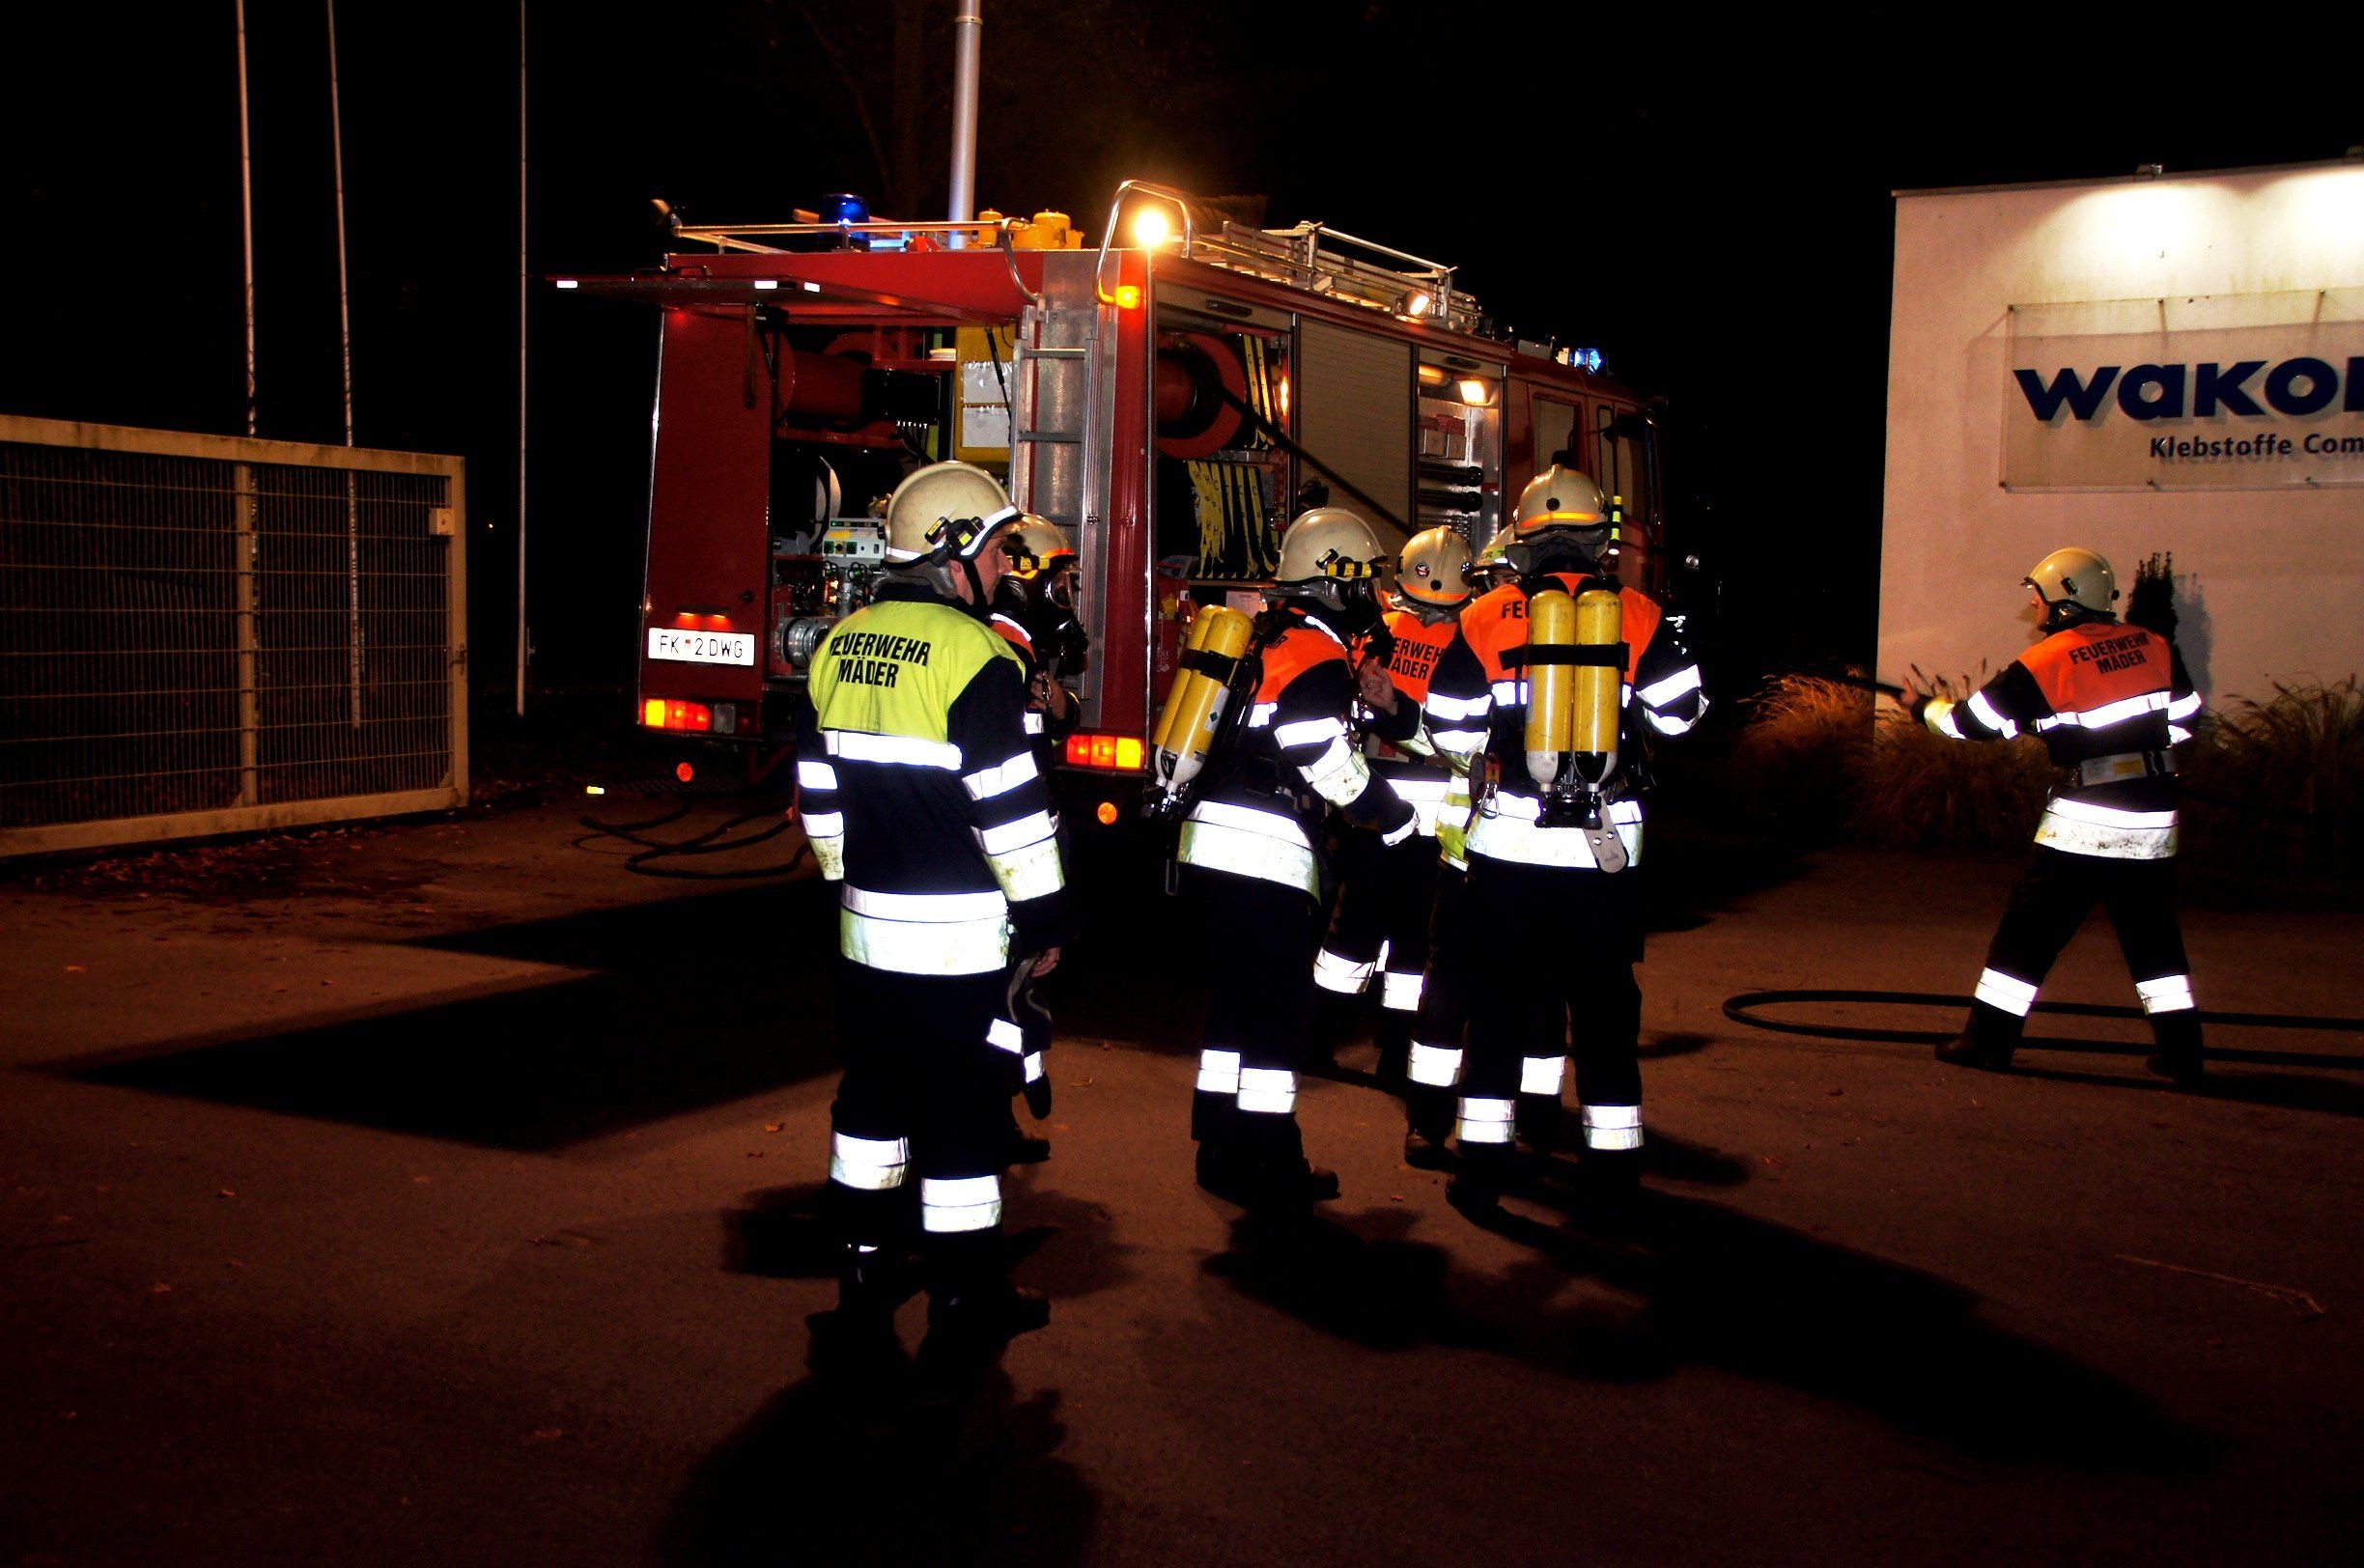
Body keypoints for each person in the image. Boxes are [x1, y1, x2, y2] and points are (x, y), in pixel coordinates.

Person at [795, 460, 1070, 1367]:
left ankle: (862, 1281)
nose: (1003, 567)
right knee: (960, 1116)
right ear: (952, 554)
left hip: (866, 936)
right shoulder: (979, 658)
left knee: (870, 1106)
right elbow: (1010, 813)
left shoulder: (838, 645)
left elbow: (818, 794)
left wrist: (848, 881)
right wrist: (1045, 920)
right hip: (958, 945)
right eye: (994, 551)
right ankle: (964, 1299)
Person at [1421, 465, 1704, 1216]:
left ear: (1524, 539)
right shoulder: (1639, 615)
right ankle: (1612, 1180)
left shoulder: (1484, 616)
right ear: (1598, 540)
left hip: (1510, 852)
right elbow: (1681, 718)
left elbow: (1445, 726)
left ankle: (1482, 1173)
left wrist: (1494, 749)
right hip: (1604, 858)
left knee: (1498, 1012)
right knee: (1606, 1017)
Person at [1177, 507, 1421, 1209]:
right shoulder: (1315, 655)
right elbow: (1319, 753)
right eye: (1364, 580)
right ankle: (1271, 1161)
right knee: (1278, 1017)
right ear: (1334, 580)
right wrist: (1390, 816)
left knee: (1233, 1006)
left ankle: (1219, 1146)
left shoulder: (1267, 637)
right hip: (1267, 854)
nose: (1372, 595)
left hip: (1213, 844)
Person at [1903, 546, 2206, 1082]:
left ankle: (1987, 1043)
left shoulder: (2047, 661)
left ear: (2064, 600)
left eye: (2038, 596)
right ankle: (2183, 1055)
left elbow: (1970, 724)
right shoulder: (2153, 644)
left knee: (2028, 934)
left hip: (2085, 824)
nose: (2034, 606)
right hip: (2154, 818)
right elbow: (2185, 719)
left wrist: (1922, 708)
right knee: (2153, 939)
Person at [1317, 526, 1477, 1164]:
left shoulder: (1376, 629)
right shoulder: (1467, 641)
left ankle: (1321, 1037)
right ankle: (1392, 1049)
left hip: (1375, 803)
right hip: (1434, 814)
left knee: (1353, 933)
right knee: (1410, 944)